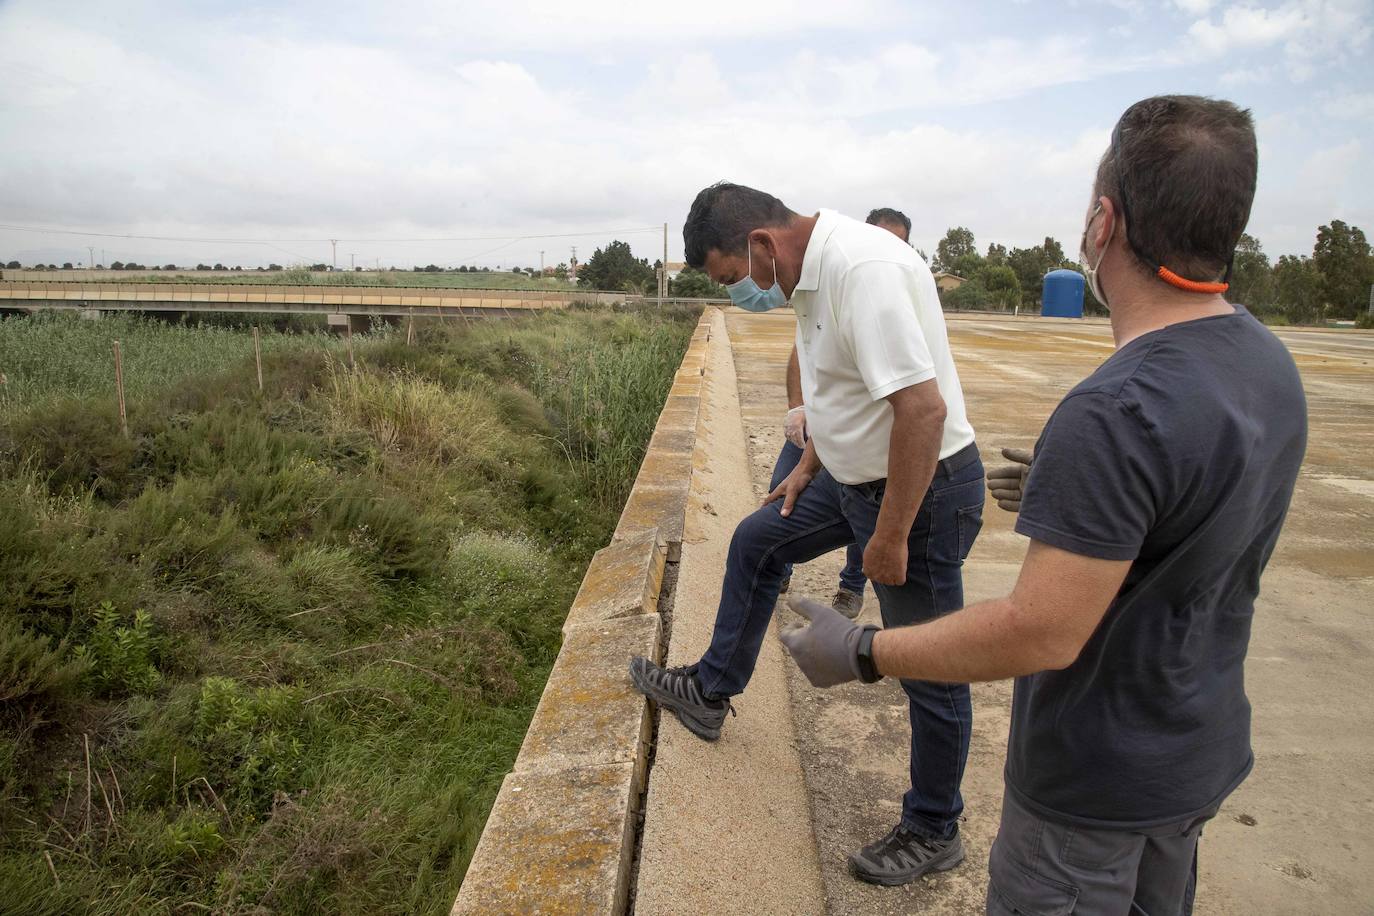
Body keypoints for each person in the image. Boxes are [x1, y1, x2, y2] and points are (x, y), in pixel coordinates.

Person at [778, 95, 1307, 915]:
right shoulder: (1267, 361)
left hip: (1092, 792)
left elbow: (1043, 630)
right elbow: (1204, 518)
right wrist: (1092, 503)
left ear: (1103, 222)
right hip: (1195, 756)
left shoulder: (1118, 408)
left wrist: (865, 651)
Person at [629, 184, 984, 886]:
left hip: (919, 492)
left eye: (734, 277)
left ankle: (933, 825)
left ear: (761, 243)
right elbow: (842, 390)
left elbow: (921, 411)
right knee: (758, 540)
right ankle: (709, 692)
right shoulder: (809, 275)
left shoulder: (860, 271)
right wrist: (811, 466)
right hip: (849, 478)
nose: (742, 293)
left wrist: (889, 537)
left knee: (928, 662)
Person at [771, 206, 915, 618]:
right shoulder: (836, 279)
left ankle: (851, 588)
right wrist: (798, 407)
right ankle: (777, 567)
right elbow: (802, 350)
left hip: (869, 437)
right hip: (819, 428)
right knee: (782, 488)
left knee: (865, 510)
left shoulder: (900, 289)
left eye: (895, 242)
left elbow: (921, 403)